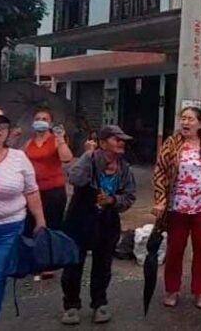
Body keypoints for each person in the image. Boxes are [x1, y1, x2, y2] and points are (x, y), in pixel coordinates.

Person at [0, 109, 47, 331]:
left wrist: (40, 221)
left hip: (7, 230)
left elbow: (31, 191)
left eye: (2, 126)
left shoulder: (19, 158)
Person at [151, 107, 201, 309]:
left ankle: (200, 290)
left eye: (190, 119)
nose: (185, 122)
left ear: (200, 124)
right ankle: (172, 289)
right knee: (176, 248)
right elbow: (160, 171)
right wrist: (160, 199)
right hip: (179, 204)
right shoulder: (172, 143)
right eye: (183, 118)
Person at [61, 125, 137, 325]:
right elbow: (74, 178)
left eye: (123, 140)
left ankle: (99, 303)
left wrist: (112, 201)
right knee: (73, 264)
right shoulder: (90, 159)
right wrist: (87, 156)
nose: (121, 143)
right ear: (102, 143)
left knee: (103, 265)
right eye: (116, 139)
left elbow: (129, 196)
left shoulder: (124, 168)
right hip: (80, 218)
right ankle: (71, 305)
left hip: (107, 220)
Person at [23, 107, 74, 280]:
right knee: (31, 225)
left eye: (45, 119)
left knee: (52, 225)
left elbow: (67, 158)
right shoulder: (28, 143)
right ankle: (33, 261)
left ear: (51, 123)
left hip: (54, 190)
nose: (41, 121)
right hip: (33, 191)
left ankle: (49, 264)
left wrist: (60, 139)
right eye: (38, 118)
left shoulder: (55, 140)